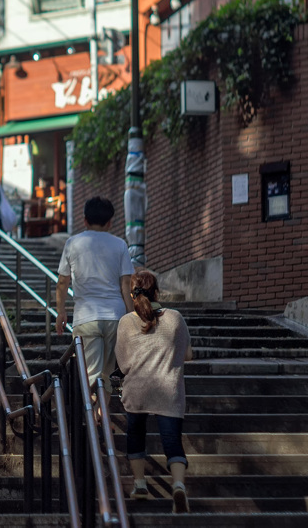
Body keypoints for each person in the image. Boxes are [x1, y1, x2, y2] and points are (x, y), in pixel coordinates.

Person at [115, 270, 193, 513]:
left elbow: (123, 364)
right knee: (172, 442)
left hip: (137, 391)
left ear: (131, 293)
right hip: (167, 390)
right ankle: (178, 485)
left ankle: (140, 485)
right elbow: (187, 355)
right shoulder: (175, 318)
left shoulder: (126, 322)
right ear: (157, 292)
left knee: (135, 437)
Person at [55, 196, 135, 387]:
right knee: (106, 374)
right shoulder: (120, 245)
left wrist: (61, 312)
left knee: (90, 374)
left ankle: (94, 414)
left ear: (85, 220)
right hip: (115, 315)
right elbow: (126, 285)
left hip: (85, 316)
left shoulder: (73, 243)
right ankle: (101, 414)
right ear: (110, 222)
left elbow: (62, 282)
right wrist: (132, 316)